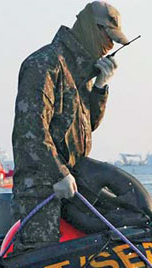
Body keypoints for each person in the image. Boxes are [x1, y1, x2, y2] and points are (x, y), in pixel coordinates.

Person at [11, 1, 129, 251]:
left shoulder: (82, 71)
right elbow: (30, 130)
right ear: (93, 29)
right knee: (39, 260)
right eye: (109, 38)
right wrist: (59, 173)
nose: (109, 47)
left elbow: (87, 127)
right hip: (42, 188)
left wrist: (100, 87)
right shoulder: (44, 64)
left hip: (74, 184)